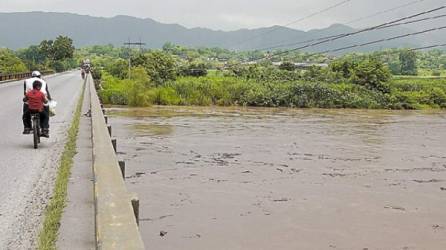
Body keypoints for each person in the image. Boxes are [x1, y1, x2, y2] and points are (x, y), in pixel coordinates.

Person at [22, 71, 52, 136]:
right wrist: (50, 99)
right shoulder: (43, 81)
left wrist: (28, 97)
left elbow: (25, 93)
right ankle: (45, 129)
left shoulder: (26, 81)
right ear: (39, 76)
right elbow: (47, 91)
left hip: (30, 105)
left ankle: (27, 128)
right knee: (46, 115)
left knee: (25, 115)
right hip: (41, 106)